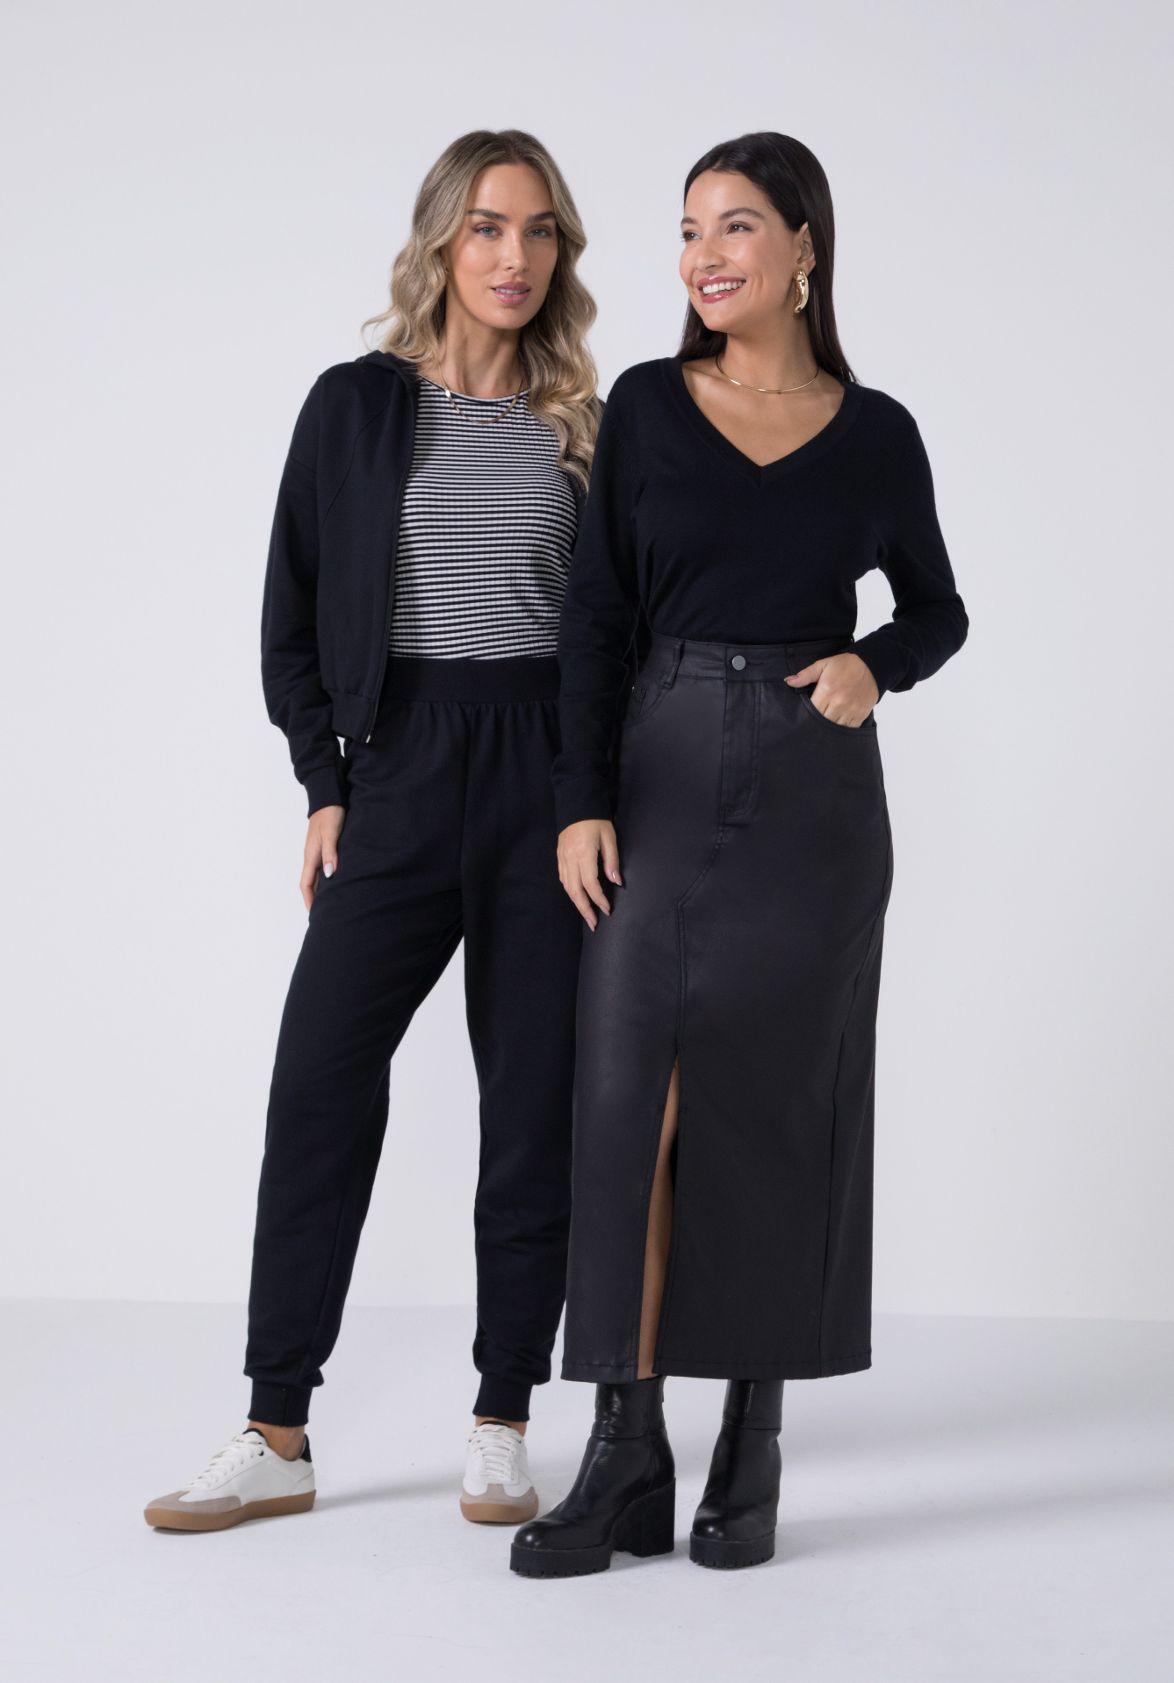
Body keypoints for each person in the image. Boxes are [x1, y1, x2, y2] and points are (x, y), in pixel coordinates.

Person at [510, 130, 970, 1577]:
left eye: (736, 226)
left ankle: (750, 1445)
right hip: (654, 766)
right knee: (627, 1107)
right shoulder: (650, 406)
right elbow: (595, 614)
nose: (704, 256)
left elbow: (939, 606)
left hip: (810, 797)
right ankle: (623, 1450)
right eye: (689, 230)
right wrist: (579, 799)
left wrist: (874, 666)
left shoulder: (874, 430)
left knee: (775, 1110)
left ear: (803, 248)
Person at [143, 129, 605, 1532]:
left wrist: (593, 799)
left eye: (539, 231)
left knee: (531, 1106)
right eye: (488, 228)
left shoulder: (587, 426)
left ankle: (502, 1419)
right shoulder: (354, 406)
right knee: (319, 1089)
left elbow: (613, 637)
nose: (514, 257)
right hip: (397, 771)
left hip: (542, 783)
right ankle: (276, 1430)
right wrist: (325, 783)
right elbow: (289, 612)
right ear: (439, 243)